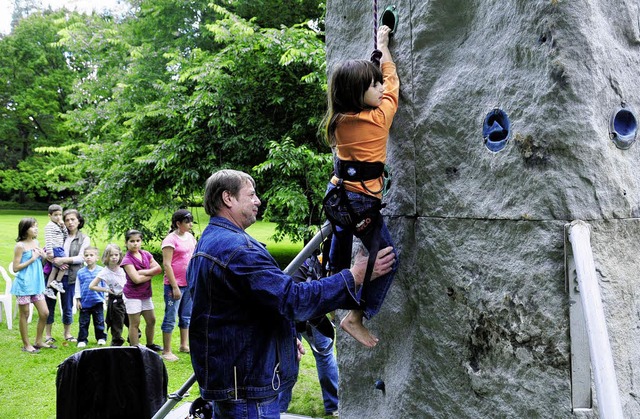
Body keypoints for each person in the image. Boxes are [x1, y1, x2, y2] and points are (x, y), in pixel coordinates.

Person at [188, 169, 395, 418]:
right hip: (247, 391)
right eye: (251, 195)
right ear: (227, 198)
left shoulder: (212, 240)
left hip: (236, 383)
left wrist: (281, 338)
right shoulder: (237, 249)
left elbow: (237, 308)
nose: (258, 201)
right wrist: (355, 276)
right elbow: (294, 299)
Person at [322, 25, 399, 348]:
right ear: (359, 94)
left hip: (339, 197)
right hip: (363, 204)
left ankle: (325, 296)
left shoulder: (337, 121)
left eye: (378, 81)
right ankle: (355, 315)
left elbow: (370, 88)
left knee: (338, 255)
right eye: (373, 85)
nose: (380, 87)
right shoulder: (379, 118)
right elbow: (394, 84)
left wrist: (372, 63)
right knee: (388, 258)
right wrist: (384, 47)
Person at [278, 255, 339, 417]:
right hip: (302, 310)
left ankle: (280, 407)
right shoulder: (327, 266)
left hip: (285, 310)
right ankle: (334, 405)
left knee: (289, 357)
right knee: (324, 354)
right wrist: (333, 318)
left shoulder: (305, 261)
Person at [44, 209, 91, 345]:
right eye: (67, 220)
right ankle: (48, 334)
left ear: (78, 221)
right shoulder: (59, 233)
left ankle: (67, 333)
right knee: (49, 304)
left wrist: (64, 260)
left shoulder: (84, 238)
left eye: (73, 219)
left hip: (70, 276)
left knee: (67, 305)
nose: (70, 222)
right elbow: (49, 249)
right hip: (53, 274)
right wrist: (54, 260)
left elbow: (82, 258)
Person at [11, 218, 54, 353]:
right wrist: (33, 258)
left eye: (36, 226)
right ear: (25, 229)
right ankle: (26, 345)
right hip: (24, 285)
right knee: (25, 314)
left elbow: (38, 264)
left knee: (44, 312)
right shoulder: (20, 246)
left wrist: (43, 256)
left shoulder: (36, 242)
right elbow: (16, 268)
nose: (36, 229)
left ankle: (39, 341)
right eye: (33, 227)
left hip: (36, 284)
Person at [160, 209, 196, 362]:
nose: (190, 224)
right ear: (178, 223)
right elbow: (167, 265)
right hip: (174, 285)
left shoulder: (190, 237)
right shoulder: (170, 240)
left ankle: (184, 345)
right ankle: (166, 351)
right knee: (170, 317)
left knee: (186, 316)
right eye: (187, 222)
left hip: (189, 284)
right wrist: (174, 287)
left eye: (191, 221)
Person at [121, 229, 163, 351]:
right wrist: (152, 273)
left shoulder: (146, 254)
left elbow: (158, 269)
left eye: (138, 241)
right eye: (132, 241)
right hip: (132, 295)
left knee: (151, 320)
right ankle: (135, 347)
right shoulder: (127, 260)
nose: (135, 244)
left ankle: (150, 344)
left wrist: (144, 272)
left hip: (146, 294)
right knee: (134, 323)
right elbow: (136, 280)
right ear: (126, 243)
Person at [90, 243, 127, 346]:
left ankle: (134, 339)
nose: (114, 257)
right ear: (106, 256)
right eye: (111, 255)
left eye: (116, 255)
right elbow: (92, 286)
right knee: (117, 323)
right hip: (116, 300)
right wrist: (106, 290)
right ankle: (116, 342)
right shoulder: (104, 272)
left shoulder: (123, 267)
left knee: (131, 321)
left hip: (128, 298)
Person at [73, 246, 106, 348]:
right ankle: (82, 339)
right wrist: (78, 300)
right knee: (83, 322)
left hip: (98, 301)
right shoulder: (80, 272)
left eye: (91, 255)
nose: (88, 257)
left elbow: (105, 285)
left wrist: (106, 298)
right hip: (85, 302)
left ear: (97, 258)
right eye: (86, 255)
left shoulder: (102, 271)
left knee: (99, 321)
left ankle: (101, 338)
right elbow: (77, 287)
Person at [43, 204, 68, 299]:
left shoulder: (58, 225)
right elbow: (48, 240)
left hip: (59, 248)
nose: (58, 217)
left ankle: (48, 287)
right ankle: (57, 281)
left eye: (60, 215)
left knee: (55, 268)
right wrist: (50, 252)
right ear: (50, 216)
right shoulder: (49, 226)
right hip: (55, 249)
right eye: (55, 215)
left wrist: (63, 226)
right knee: (64, 266)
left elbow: (65, 236)